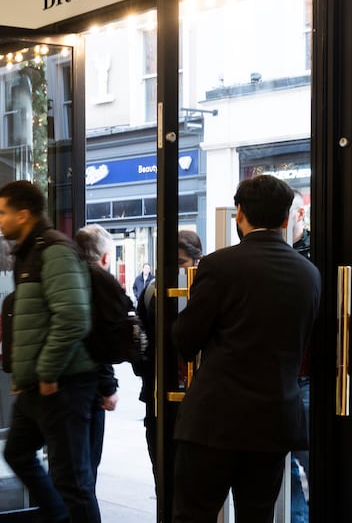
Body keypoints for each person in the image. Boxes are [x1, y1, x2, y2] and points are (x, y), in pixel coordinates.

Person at [171, 175, 320, 522]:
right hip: (273, 421)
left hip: (213, 420)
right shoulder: (309, 274)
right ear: (286, 219)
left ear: (239, 214)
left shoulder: (218, 266)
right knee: (257, 515)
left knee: (193, 514)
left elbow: (186, 340)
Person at [0, 180, 101, 523]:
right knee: (17, 452)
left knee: (72, 480)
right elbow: (33, 319)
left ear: (23, 214)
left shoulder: (54, 249)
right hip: (38, 385)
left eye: (2, 213)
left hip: (64, 383)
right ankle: (58, 516)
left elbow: (72, 317)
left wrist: (46, 372)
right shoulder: (28, 252)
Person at [136, 229, 203, 495]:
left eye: (181, 263)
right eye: (168, 262)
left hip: (197, 397)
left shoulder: (205, 292)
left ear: (197, 262)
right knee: (164, 478)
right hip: (160, 397)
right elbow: (143, 340)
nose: (173, 270)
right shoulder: (152, 292)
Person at [73, 224, 125, 481]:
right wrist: (108, 386)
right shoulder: (101, 282)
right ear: (105, 257)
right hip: (89, 387)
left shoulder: (67, 278)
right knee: (87, 468)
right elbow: (101, 340)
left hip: (63, 385)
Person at [288, 193, 311, 523]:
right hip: (271, 376)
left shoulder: (318, 251)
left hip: (306, 376)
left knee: (310, 459)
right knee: (285, 464)